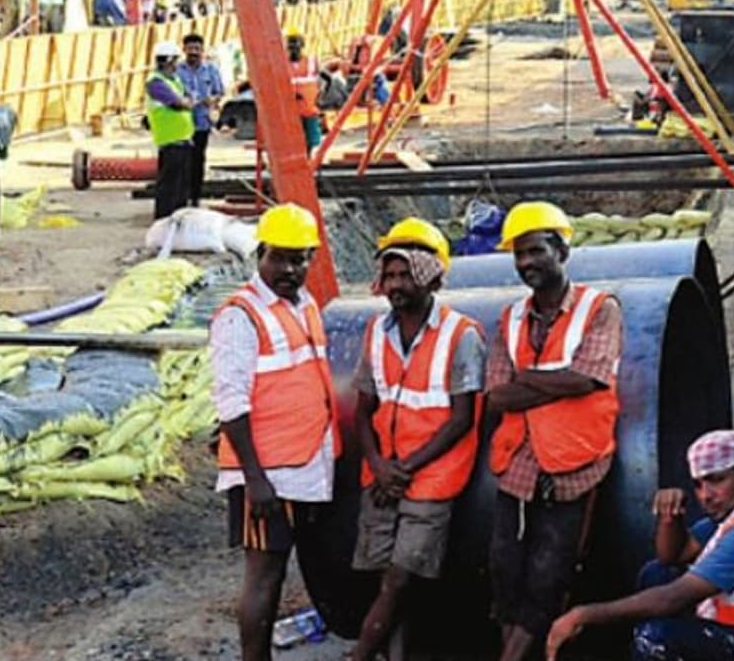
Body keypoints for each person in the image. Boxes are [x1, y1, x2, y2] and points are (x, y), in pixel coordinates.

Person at [546, 430, 734, 661]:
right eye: (698, 484)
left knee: (656, 638)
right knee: (656, 574)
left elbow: (674, 597)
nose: (705, 495)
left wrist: (583, 614)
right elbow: (671, 555)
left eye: (716, 480)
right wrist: (669, 517)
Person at [484, 201, 624, 661]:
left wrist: (527, 377)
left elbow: (587, 379)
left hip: (573, 466)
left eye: (536, 251)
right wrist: (557, 381)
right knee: (505, 571)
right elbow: (498, 396)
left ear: (561, 250)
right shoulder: (511, 319)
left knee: (549, 576)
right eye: (519, 255)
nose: (527, 263)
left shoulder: (598, 309)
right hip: (518, 464)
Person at [350, 218, 487, 661]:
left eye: (405, 274)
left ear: (432, 275)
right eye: (389, 275)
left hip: (430, 479)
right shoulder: (377, 332)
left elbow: (461, 418)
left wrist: (405, 469)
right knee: (383, 578)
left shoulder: (460, 335)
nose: (395, 284)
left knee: (400, 577)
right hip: (383, 475)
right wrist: (381, 465)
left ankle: (359, 656)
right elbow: (364, 408)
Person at [209, 203, 338, 661]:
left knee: (284, 570)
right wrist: (256, 480)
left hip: (303, 464)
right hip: (267, 472)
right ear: (261, 254)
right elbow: (231, 402)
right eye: (281, 257)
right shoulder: (240, 316)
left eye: (301, 258)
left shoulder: (303, 306)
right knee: (265, 574)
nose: (291, 268)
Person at [144, 41, 197, 220]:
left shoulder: (174, 80)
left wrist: (187, 102)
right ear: (168, 61)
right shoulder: (156, 82)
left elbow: (188, 98)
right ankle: (165, 221)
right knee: (169, 187)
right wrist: (186, 103)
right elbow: (177, 103)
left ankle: (178, 220)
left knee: (181, 187)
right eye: (175, 61)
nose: (177, 65)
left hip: (183, 139)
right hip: (170, 141)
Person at [176, 33, 225, 209]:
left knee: (198, 160)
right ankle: (182, 196)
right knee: (182, 161)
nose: (193, 52)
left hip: (202, 122)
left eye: (197, 49)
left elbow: (219, 92)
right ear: (184, 50)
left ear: (202, 50)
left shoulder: (211, 70)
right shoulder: (177, 71)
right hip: (181, 123)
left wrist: (210, 101)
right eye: (190, 49)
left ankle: (195, 197)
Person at [285, 28, 324, 154]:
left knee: (311, 138)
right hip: (290, 110)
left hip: (309, 108)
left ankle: (308, 158)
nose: (294, 50)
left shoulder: (311, 62)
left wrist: (320, 97)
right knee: (292, 140)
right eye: (291, 47)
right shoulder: (283, 64)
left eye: (296, 47)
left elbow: (326, 78)